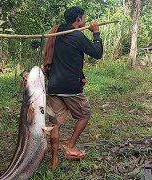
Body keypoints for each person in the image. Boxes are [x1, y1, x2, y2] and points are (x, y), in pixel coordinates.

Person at [44, 6, 103, 169]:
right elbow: (97, 53)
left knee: (56, 123)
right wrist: (96, 33)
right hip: (71, 87)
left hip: (54, 86)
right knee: (84, 114)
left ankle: (54, 159)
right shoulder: (76, 35)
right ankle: (70, 146)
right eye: (84, 17)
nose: (85, 20)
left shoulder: (55, 33)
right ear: (79, 18)